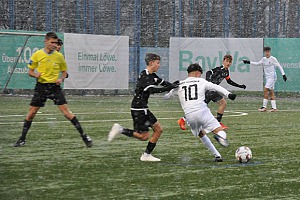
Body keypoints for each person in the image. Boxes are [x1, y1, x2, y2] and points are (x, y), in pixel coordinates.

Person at [13, 32, 92, 147]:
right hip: (41, 87)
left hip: (55, 88)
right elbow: (30, 71)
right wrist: (35, 75)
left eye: (56, 43)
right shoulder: (37, 55)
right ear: (46, 42)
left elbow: (64, 73)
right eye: (52, 42)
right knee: (31, 114)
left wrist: (61, 79)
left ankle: (84, 136)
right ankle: (22, 139)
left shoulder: (59, 56)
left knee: (67, 113)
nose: (55, 45)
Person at [108, 53, 178, 162]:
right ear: (151, 63)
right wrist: (169, 88)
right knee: (144, 136)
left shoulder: (152, 75)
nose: (159, 65)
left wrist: (174, 85)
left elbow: (162, 82)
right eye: (158, 63)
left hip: (141, 108)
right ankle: (121, 130)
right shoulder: (145, 76)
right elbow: (151, 90)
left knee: (156, 130)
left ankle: (146, 155)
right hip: (139, 109)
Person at [177, 63, 237, 162]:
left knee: (200, 133)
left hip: (189, 116)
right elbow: (215, 87)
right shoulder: (201, 81)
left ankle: (217, 155)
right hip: (202, 111)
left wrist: (169, 90)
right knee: (219, 130)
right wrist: (228, 94)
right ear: (197, 73)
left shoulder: (180, 83)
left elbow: (168, 94)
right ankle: (220, 136)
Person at [177, 54, 246, 130]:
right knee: (223, 103)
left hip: (210, 91)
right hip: (210, 91)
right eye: (227, 61)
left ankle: (183, 119)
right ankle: (218, 123)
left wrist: (240, 86)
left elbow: (229, 81)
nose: (228, 63)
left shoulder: (226, 72)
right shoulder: (219, 69)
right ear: (223, 61)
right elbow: (208, 72)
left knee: (199, 108)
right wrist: (209, 83)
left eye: (230, 62)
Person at [243, 46, 287, 112]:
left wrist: (283, 74)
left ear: (270, 52)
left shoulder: (273, 59)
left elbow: (279, 66)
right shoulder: (263, 59)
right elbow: (257, 63)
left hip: (272, 77)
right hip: (268, 78)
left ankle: (264, 107)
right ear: (264, 52)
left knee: (266, 89)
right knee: (271, 92)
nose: (267, 53)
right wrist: (248, 62)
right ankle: (274, 108)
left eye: (268, 51)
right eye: (266, 52)